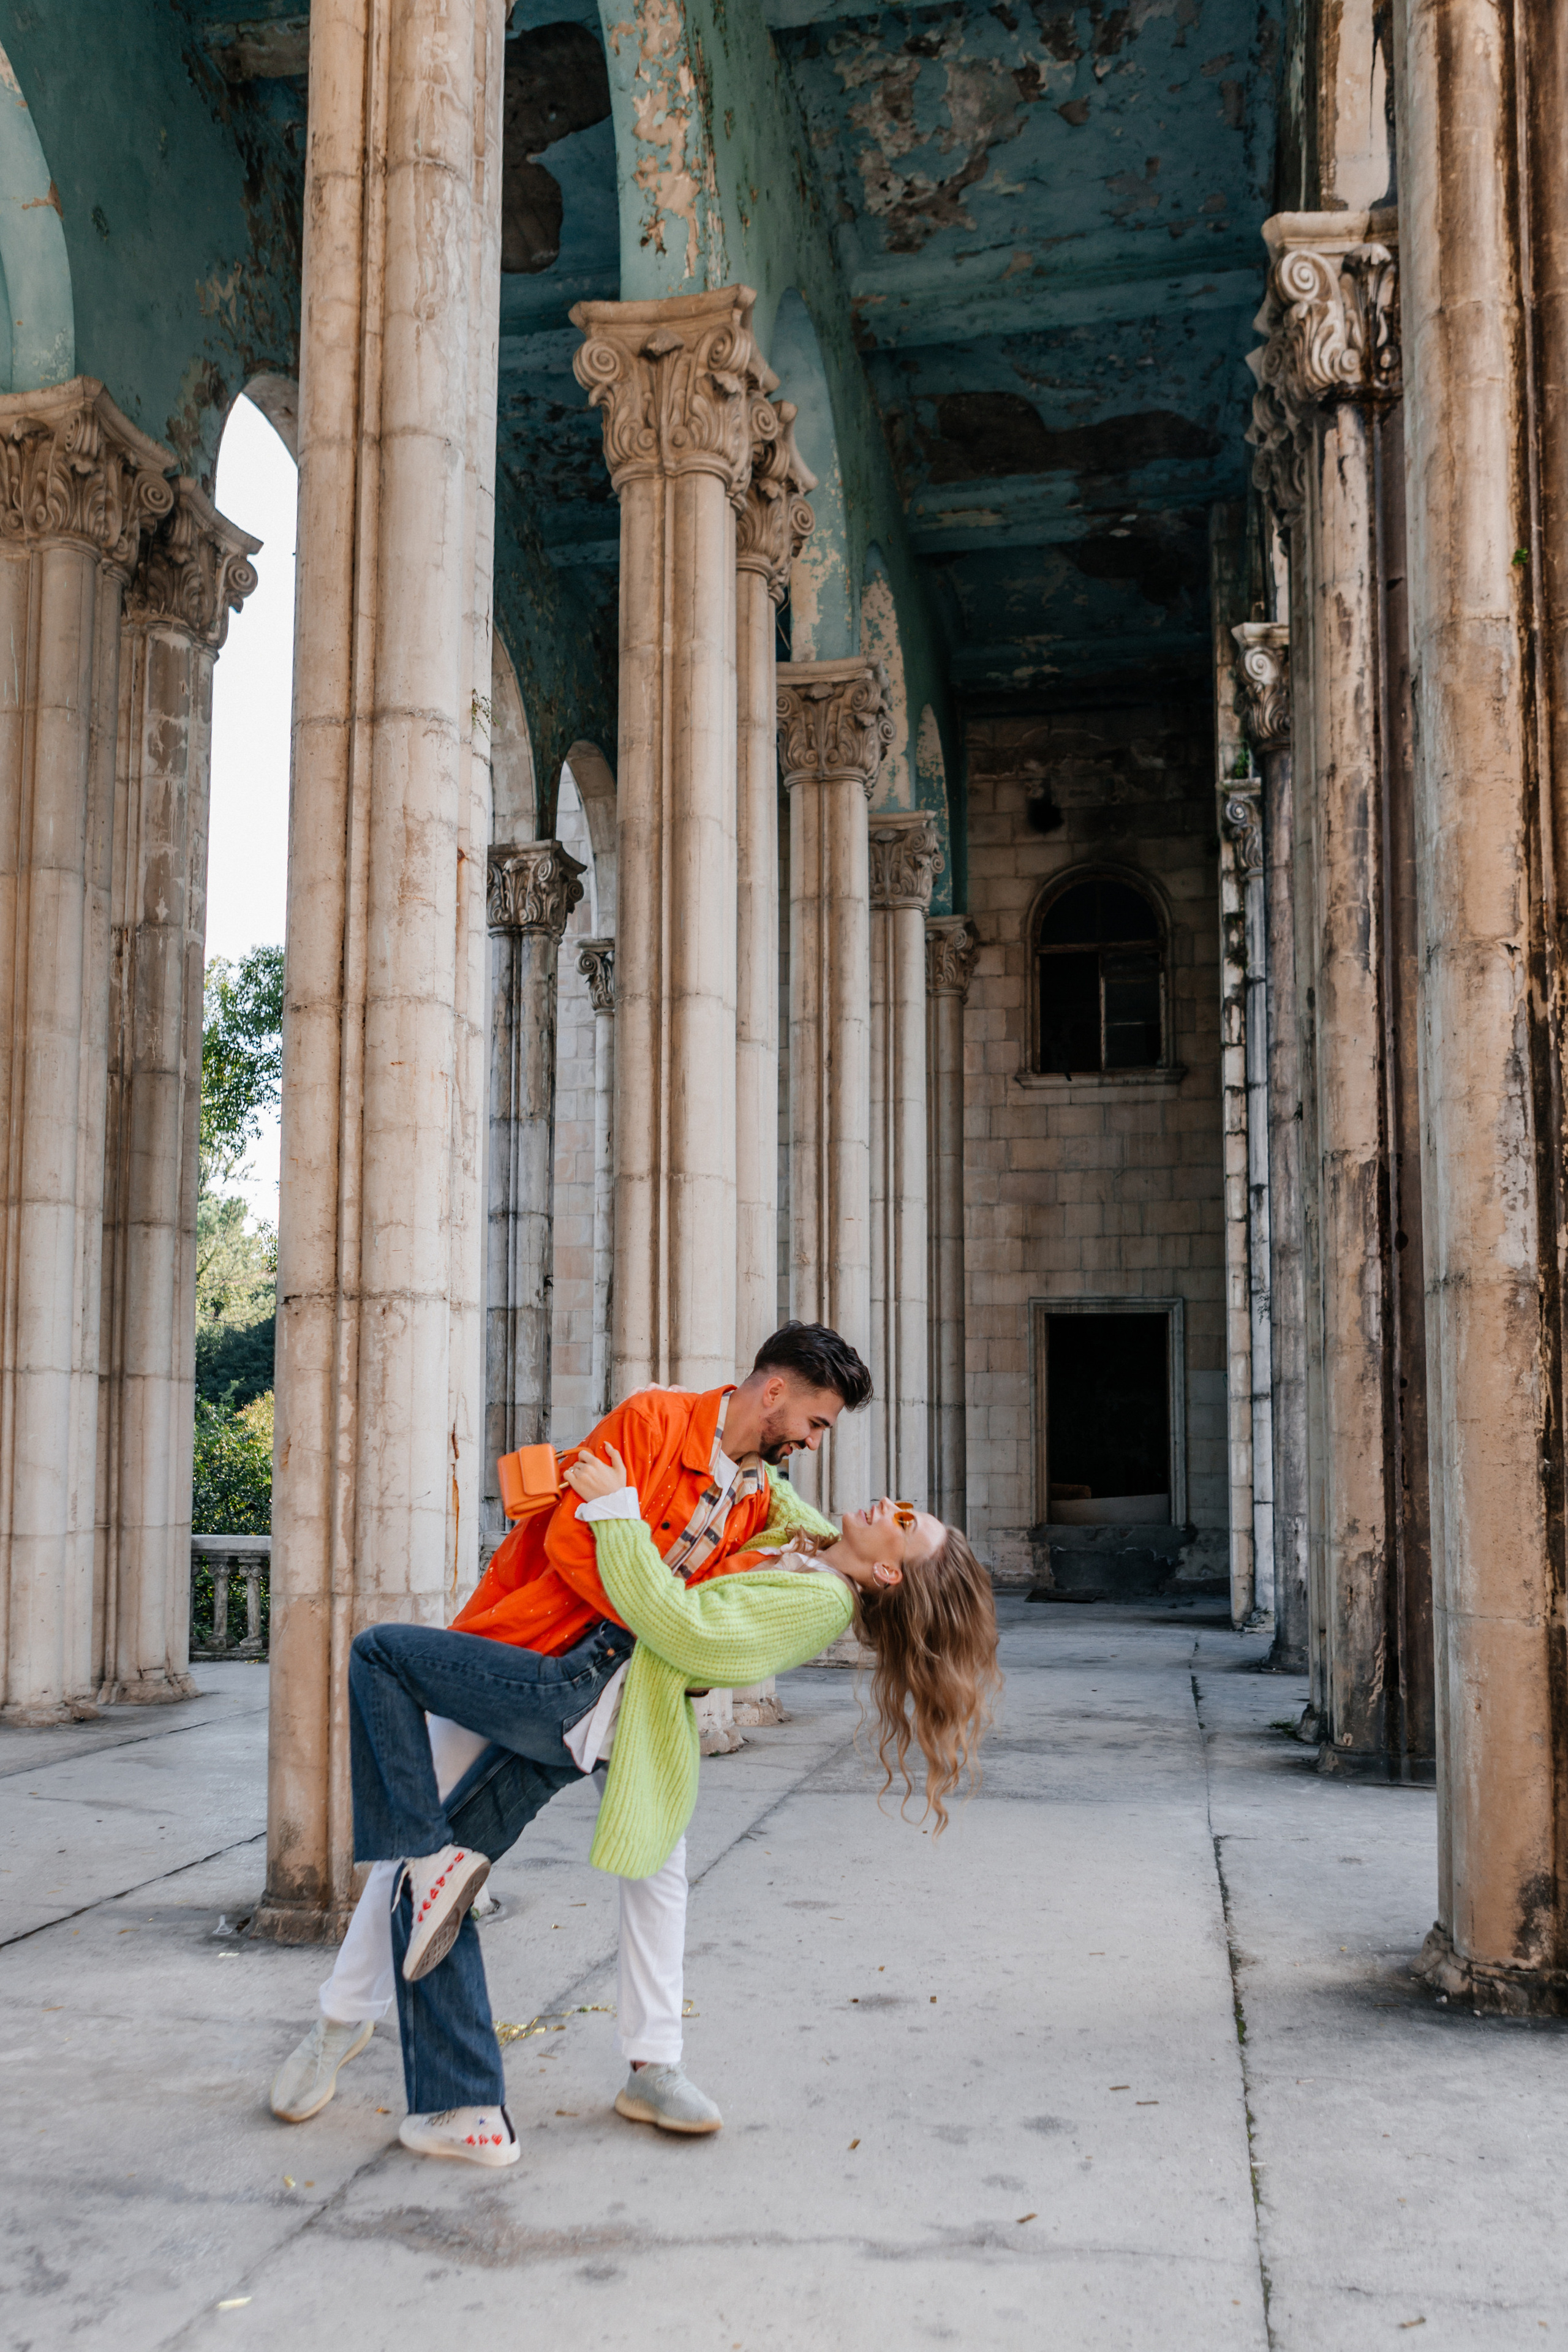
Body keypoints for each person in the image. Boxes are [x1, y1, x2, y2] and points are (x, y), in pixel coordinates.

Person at [268, 1322, 870, 2148]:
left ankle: (654, 2065)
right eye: (817, 1420)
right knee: (419, 1847)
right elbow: (568, 1537)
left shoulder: (763, 1493)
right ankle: (341, 2021)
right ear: (776, 1393)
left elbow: (766, 1562)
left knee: (661, 1866)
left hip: (634, 1695)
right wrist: (658, 1607)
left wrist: (834, 1550)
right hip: (528, 1651)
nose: (815, 1438)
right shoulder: (656, 1419)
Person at [329, 1450, 1000, 2166]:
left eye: (904, 1523)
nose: (888, 1505)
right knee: (435, 1888)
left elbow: (681, 1628)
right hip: (601, 1706)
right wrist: (725, 1439)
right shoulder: (813, 1550)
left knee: (381, 1661)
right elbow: (772, 1492)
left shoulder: (822, 1600)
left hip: (594, 1698)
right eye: (901, 1503)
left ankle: (627, 2060)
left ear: (891, 1573)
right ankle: (468, 2108)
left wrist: (618, 1510)